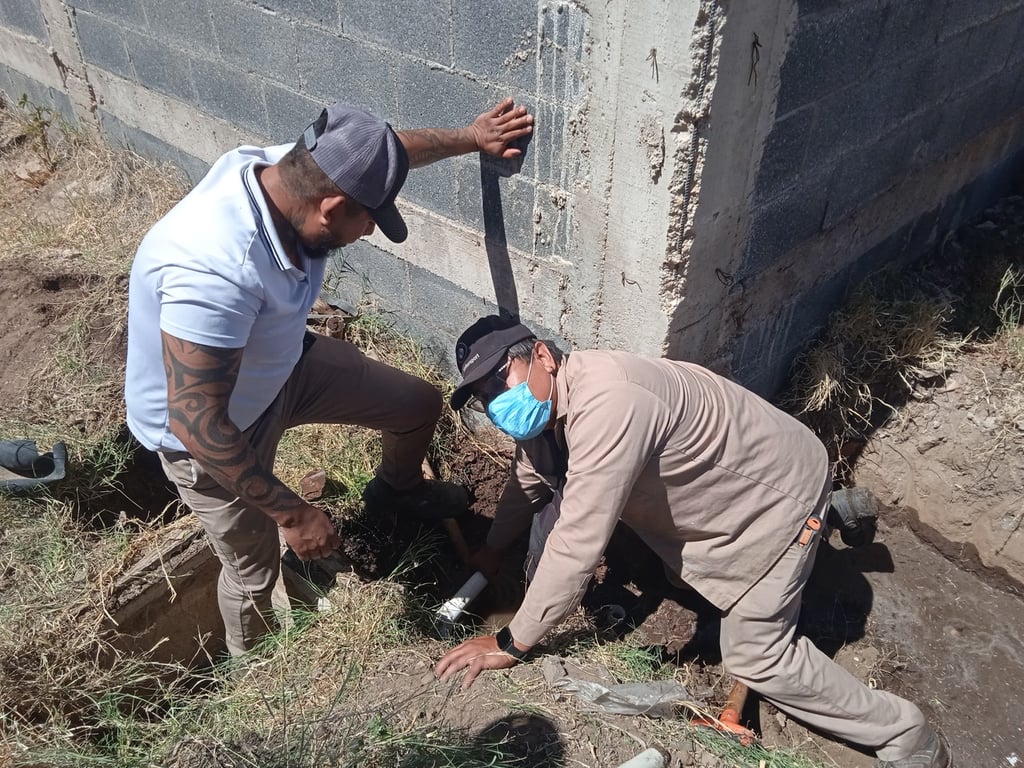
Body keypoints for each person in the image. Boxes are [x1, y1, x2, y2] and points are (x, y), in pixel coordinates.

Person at [434, 315, 952, 768]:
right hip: (747, 478)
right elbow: (528, 482)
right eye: (483, 397)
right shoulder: (556, 405)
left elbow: (577, 542)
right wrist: (494, 549)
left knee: (756, 658)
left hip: (777, 501)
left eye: (500, 381)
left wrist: (511, 641)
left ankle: (906, 735)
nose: (496, 402)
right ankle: (832, 512)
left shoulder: (610, 404)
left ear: (542, 355)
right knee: (680, 571)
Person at [124, 100, 533, 656]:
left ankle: (397, 492)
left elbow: (384, 152)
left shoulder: (291, 170)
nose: (368, 231)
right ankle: (258, 677)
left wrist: (472, 136)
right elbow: (194, 418)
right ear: (329, 208)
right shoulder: (214, 270)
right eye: (366, 220)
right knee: (253, 573)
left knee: (416, 404)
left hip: (280, 366)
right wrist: (293, 513)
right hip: (212, 436)